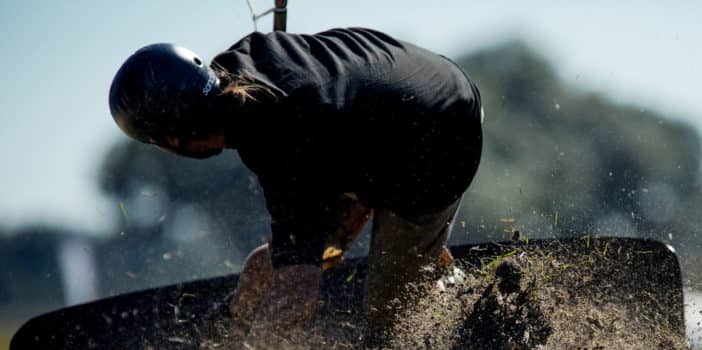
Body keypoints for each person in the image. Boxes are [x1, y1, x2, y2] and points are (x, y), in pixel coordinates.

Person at [108, 28, 484, 332]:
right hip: (393, 112)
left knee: (389, 314)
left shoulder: (279, 141)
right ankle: (223, 331)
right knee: (281, 262)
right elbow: (293, 248)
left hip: (441, 132)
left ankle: (472, 310)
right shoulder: (241, 63)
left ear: (170, 140)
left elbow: (297, 294)